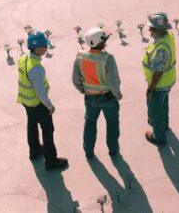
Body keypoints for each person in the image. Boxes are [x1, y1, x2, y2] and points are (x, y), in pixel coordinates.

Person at [17, 30, 69, 170]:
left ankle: (34, 151)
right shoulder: (37, 68)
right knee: (48, 129)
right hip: (37, 103)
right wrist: (50, 106)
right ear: (38, 47)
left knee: (32, 124)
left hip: (25, 101)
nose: (46, 48)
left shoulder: (23, 59)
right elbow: (40, 92)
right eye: (44, 46)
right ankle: (51, 160)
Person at [72, 27, 122, 158]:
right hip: (108, 98)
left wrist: (83, 89)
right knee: (112, 124)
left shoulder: (80, 56)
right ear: (100, 43)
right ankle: (113, 150)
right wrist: (117, 94)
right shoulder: (108, 58)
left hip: (90, 98)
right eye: (104, 39)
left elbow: (75, 79)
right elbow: (113, 82)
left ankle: (88, 151)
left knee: (90, 123)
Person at [143, 12, 176, 146]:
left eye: (152, 28)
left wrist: (150, 89)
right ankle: (165, 125)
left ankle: (159, 136)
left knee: (155, 109)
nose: (150, 30)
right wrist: (153, 18)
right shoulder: (168, 35)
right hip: (169, 81)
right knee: (163, 103)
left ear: (160, 30)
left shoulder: (161, 49)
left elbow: (158, 73)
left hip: (159, 84)